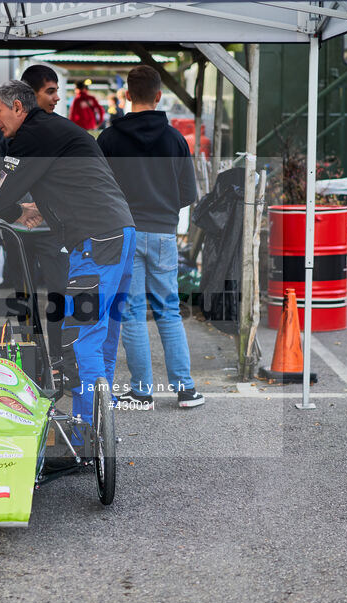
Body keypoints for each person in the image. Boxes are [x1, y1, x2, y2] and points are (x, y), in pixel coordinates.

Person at [0, 80, 135, 427]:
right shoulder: (61, 129)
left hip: (96, 240)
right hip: (121, 232)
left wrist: (18, 213)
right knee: (104, 335)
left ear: (18, 108)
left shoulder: (30, 137)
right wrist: (46, 206)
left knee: (82, 337)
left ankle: (87, 429)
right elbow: (82, 179)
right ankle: (102, 425)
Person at [97, 65, 205, 410]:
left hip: (124, 233)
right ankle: (185, 389)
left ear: (127, 95)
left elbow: (98, 189)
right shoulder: (174, 139)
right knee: (169, 310)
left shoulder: (109, 139)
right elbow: (188, 193)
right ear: (159, 96)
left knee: (131, 311)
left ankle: (141, 392)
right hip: (162, 234)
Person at [0, 65, 69, 363]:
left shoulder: (57, 127)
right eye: (50, 91)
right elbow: (8, 176)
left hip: (52, 229)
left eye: (57, 90)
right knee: (23, 296)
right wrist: (23, 209)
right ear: (28, 98)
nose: (57, 97)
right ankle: (30, 358)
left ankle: (59, 359)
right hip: (16, 228)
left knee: (59, 294)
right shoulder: (4, 128)